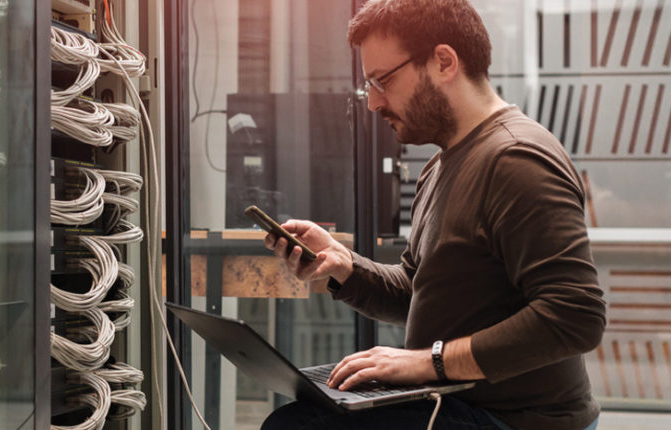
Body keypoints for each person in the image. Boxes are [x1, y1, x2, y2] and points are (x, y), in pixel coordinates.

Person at [259, 1, 606, 429]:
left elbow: (575, 316)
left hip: (515, 420)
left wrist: (429, 363)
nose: (373, 103)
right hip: (456, 402)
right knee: (298, 416)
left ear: (444, 61)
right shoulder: (440, 165)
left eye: (382, 81)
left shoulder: (516, 159)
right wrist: (343, 265)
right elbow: (417, 292)